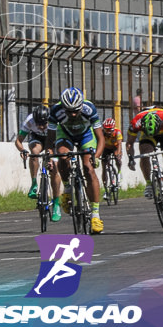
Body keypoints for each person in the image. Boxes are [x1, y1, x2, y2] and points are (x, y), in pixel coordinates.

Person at [51, 87, 105, 234]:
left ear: (81, 106)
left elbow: (100, 138)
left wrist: (97, 157)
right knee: (62, 156)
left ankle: (95, 215)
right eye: (69, 111)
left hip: (85, 136)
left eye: (76, 110)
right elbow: (50, 139)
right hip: (65, 135)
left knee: (88, 168)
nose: (73, 114)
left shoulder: (89, 108)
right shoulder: (55, 111)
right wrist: (49, 156)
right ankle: (67, 188)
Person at [14, 104, 63, 221]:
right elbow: (18, 141)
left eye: (44, 124)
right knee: (34, 151)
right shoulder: (29, 120)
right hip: (37, 139)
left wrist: (52, 157)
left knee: (54, 169)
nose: (41, 127)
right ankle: (34, 183)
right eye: (38, 124)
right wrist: (23, 150)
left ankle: (56, 203)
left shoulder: (55, 121)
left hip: (53, 139)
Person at [126, 107, 163, 198]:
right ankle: (149, 183)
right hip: (147, 135)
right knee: (144, 153)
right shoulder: (136, 123)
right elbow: (129, 143)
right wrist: (130, 158)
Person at [99, 117, 122, 194]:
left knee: (117, 158)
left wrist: (118, 155)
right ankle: (105, 189)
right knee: (104, 167)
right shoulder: (101, 132)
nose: (108, 132)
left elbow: (119, 144)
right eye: (106, 129)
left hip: (115, 147)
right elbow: (98, 144)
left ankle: (119, 172)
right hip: (106, 148)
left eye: (110, 130)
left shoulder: (117, 132)